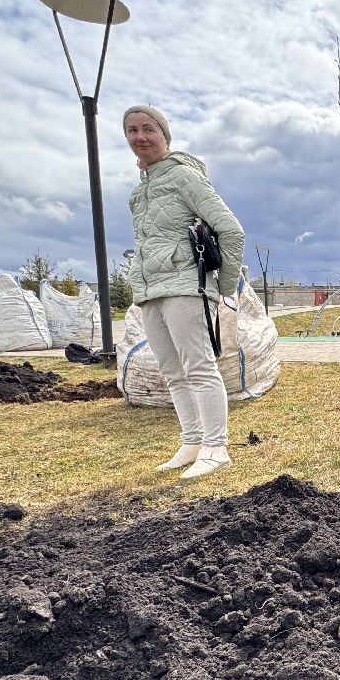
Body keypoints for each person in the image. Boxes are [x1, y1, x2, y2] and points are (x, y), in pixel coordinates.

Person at [124, 105, 246, 479]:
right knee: (172, 371)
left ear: (165, 135)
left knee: (198, 367)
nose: (140, 136)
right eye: (131, 130)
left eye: (148, 128)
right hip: (150, 290)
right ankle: (192, 441)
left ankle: (216, 447)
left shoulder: (184, 177)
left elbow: (231, 230)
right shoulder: (138, 194)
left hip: (184, 287)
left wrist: (224, 288)